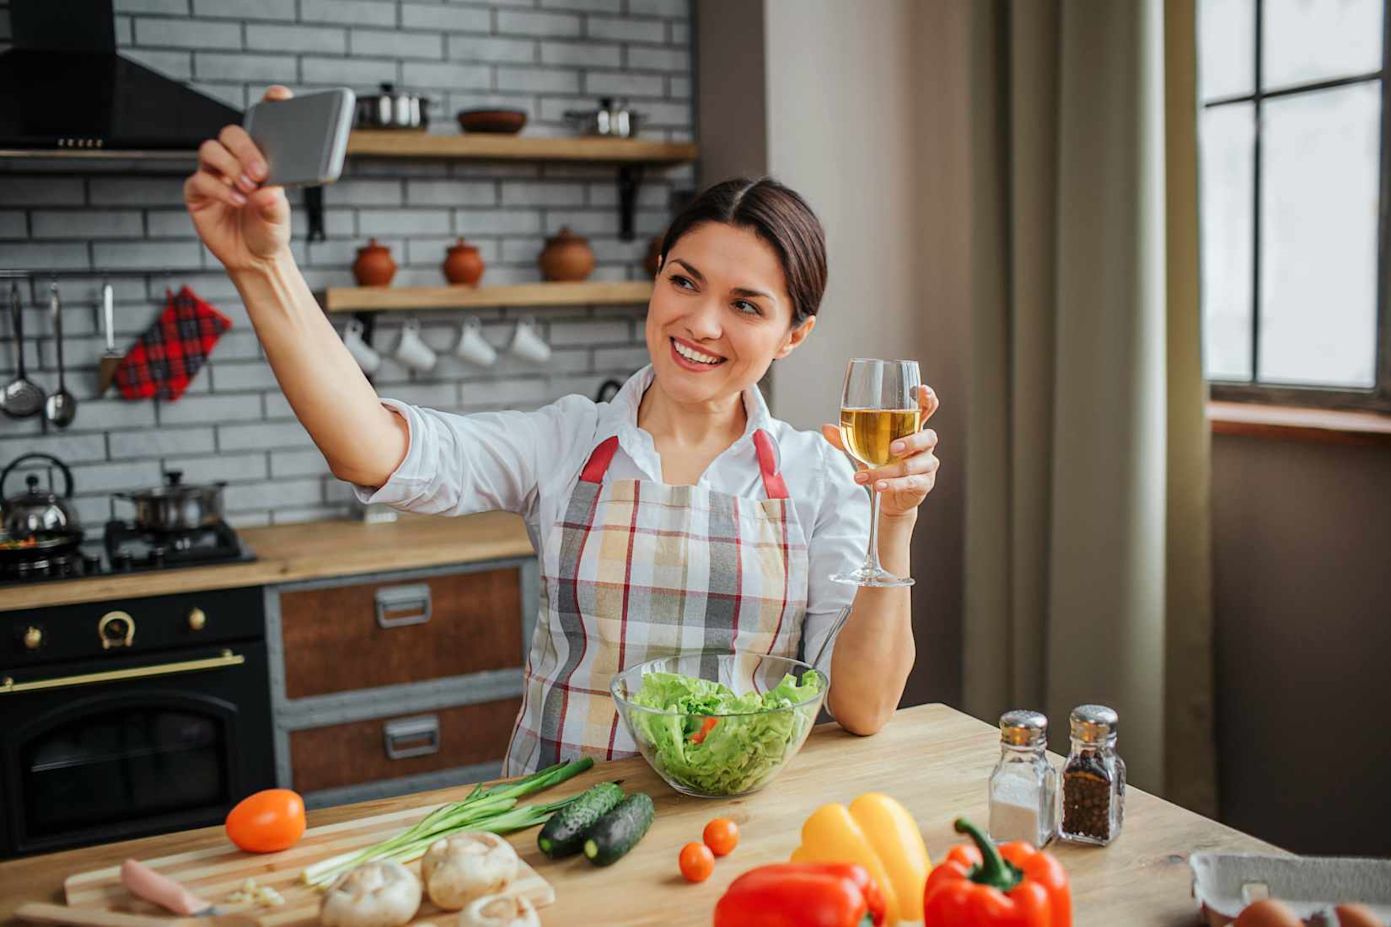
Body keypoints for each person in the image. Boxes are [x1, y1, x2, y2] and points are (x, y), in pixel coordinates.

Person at [185, 86, 941, 775]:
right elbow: (371, 449)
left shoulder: (818, 476)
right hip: (556, 829)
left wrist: (894, 523)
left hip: (730, 840)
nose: (700, 323)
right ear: (656, 274)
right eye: (683, 280)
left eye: (746, 305)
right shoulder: (566, 442)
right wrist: (263, 266)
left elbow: (863, 706)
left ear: (792, 336)